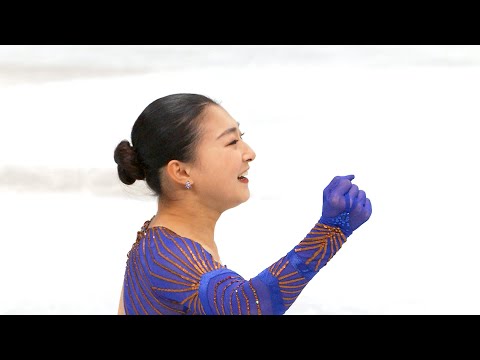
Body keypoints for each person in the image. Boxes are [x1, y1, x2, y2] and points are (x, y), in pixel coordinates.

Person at [113, 93, 372, 315]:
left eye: (241, 136)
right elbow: (245, 305)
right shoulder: (169, 255)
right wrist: (331, 231)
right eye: (231, 142)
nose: (249, 153)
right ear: (181, 172)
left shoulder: (162, 239)